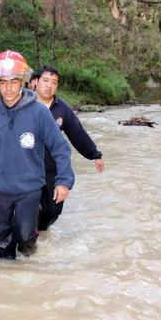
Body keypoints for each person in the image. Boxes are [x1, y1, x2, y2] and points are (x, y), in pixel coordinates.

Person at [0, 50, 75, 260]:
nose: (8, 88)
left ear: (23, 81)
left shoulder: (39, 113)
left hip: (29, 189)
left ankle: (29, 270)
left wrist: (64, 181)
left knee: (25, 239)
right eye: (2, 82)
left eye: (14, 81)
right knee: (1, 243)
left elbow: (60, 148)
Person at [34, 65, 104, 231]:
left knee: (53, 210)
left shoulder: (62, 109)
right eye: (45, 80)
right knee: (27, 206)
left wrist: (95, 154)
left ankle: (40, 228)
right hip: (27, 165)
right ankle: (29, 232)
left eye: (54, 82)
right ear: (36, 82)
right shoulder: (24, 103)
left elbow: (78, 133)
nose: (49, 85)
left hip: (52, 167)